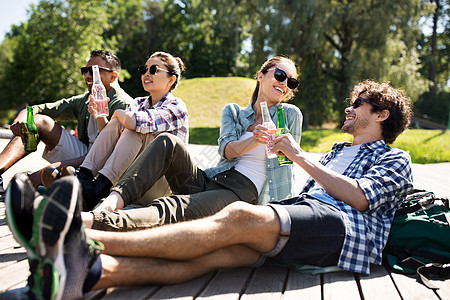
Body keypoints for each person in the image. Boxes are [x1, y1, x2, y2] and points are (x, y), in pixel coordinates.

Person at [6, 79, 413, 299]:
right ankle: (89, 275)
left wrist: (298, 154)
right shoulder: (336, 149)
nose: (349, 107)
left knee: (234, 216)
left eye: (358, 103)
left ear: (381, 114)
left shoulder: (395, 158)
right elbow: (232, 150)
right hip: (297, 218)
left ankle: (76, 234)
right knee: (214, 254)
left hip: (341, 229)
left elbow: (358, 198)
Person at [79, 56, 303, 230]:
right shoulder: (234, 112)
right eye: (281, 75)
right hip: (213, 178)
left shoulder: (289, 115)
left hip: (242, 193)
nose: (285, 84)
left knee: (174, 207)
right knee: (168, 141)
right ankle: (109, 202)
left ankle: (93, 222)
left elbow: (287, 161)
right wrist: (254, 139)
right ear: (261, 75)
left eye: (291, 82)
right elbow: (227, 151)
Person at [0, 50, 133, 192]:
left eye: (94, 71)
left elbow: (107, 155)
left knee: (48, 174)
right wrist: (20, 121)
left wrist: (54, 166)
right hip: (83, 154)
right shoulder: (85, 99)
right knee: (38, 121)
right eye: (85, 70)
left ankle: (65, 180)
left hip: (105, 166)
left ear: (113, 77)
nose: (88, 75)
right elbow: (37, 109)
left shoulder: (123, 105)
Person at [70, 51, 189, 210]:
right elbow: (113, 139)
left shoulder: (177, 107)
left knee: (136, 126)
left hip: (161, 184)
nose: (146, 74)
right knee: (122, 123)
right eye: (143, 70)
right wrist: (100, 115)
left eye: (153, 70)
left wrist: (118, 114)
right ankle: (84, 178)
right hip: (132, 177)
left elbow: (138, 122)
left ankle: (98, 188)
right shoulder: (138, 103)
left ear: (171, 79)